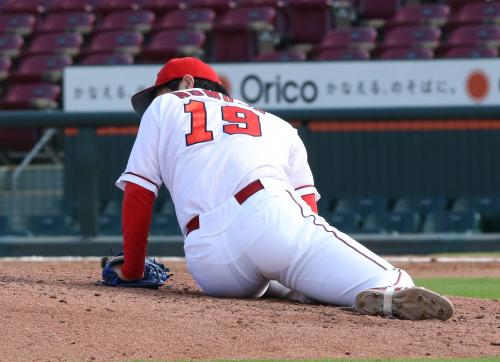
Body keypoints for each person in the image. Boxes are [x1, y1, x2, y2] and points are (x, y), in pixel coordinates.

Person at [111, 56, 454, 320]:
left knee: (271, 271)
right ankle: (366, 290)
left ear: (186, 82)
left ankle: (292, 282)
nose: (155, 99)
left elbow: (140, 192)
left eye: (160, 89)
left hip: (209, 262)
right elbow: (307, 208)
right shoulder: (278, 125)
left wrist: (133, 271)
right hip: (268, 217)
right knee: (395, 280)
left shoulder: (165, 106)